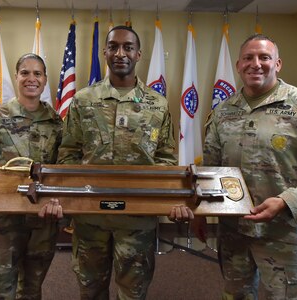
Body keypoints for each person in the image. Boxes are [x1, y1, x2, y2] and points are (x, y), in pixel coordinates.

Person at [192, 34, 297, 299]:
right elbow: (211, 169)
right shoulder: (223, 112)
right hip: (233, 232)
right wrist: (199, 209)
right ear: (239, 65)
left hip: (283, 232)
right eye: (248, 58)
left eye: (264, 57)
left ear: (277, 64)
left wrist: (287, 201)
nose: (256, 64)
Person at [55, 25, 193, 299]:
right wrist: (68, 201)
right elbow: (68, 154)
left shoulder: (158, 104)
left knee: (133, 291)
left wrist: (167, 201)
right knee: (91, 289)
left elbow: (166, 159)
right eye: (114, 47)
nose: (121, 53)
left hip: (137, 220)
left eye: (128, 47)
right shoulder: (83, 100)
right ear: (105, 52)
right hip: (90, 217)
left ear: (138, 54)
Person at [0, 53, 63, 299]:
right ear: (16, 77)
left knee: (31, 290)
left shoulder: (57, 124)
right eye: (25, 73)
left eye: (37, 73)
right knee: (0, 292)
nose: (31, 78)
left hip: (41, 225)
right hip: (2, 225)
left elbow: (62, 175)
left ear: (45, 79)